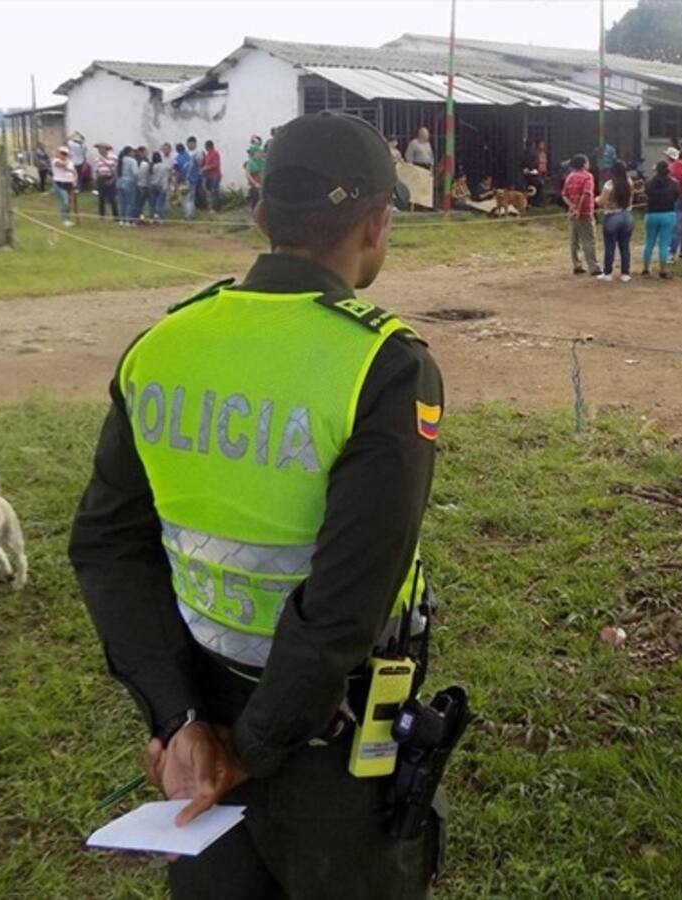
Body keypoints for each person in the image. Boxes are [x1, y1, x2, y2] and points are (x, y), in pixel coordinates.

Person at [69, 111, 448, 899]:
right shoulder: (384, 363)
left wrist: (177, 722)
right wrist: (249, 746)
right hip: (330, 743)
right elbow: (347, 602)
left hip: (196, 727)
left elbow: (108, 545)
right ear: (377, 224)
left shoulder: (162, 345)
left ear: (260, 213)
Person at [561, 153, 601, 276]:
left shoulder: (570, 177)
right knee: (589, 240)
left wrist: (571, 206)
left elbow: (564, 194)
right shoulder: (588, 177)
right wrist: (578, 208)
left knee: (574, 240)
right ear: (584, 164)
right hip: (585, 212)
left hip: (572, 213)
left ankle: (577, 265)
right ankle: (593, 267)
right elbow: (586, 193)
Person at [597, 159, 635, 283]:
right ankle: (625, 273)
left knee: (610, 246)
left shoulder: (609, 184)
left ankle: (607, 273)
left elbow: (602, 202)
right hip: (627, 215)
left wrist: (596, 199)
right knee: (625, 246)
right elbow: (631, 199)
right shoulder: (629, 182)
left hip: (612, 216)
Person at [640, 159, 677, 279]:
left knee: (649, 242)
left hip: (652, 214)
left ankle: (645, 268)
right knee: (664, 244)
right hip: (668, 213)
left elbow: (645, 196)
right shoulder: (674, 183)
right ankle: (663, 269)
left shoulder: (649, 183)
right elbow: (676, 197)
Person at [50, 146, 76, 227]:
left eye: (65, 154)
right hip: (59, 184)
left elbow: (74, 172)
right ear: (59, 153)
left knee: (69, 203)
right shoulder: (55, 160)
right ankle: (63, 220)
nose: (63, 155)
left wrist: (75, 181)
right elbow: (62, 165)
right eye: (62, 153)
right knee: (64, 202)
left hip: (69, 184)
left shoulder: (70, 162)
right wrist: (67, 161)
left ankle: (67, 219)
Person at [94, 143, 119, 221]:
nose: (100, 150)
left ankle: (116, 216)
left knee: (112, 198)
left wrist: (113, 179)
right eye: (99, 149)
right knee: (101, 198)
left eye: (101, 148)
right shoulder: (97, 159)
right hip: (101, 178)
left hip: (110, 177)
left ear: (106, 149)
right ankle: (102, 216)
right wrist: (96, 180)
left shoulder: (114, 158)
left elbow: (116, 169)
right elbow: (96, 171)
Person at [174, 142, 196, 220]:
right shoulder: (190, 156)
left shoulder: (177, 159)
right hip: (193, 180)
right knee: (191, 198)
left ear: (177, 150)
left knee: (185, 199)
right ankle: (192, 215)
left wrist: (176, 183)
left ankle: (187, 216)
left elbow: (177, 172)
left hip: (183, 181)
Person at [149, 151, 171, 222]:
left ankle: (152, 217)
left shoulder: (151, 166)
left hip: (152, 185)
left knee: (153, 202)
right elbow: (169, 173)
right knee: (160, 202)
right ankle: (159, 216)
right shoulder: (163, 166)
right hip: (162, 185)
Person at [187, 136, 207, 211]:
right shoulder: (188, 152)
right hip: (191, 176)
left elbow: (200, 163)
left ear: (194, 143)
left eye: (190, 144)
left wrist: (200, 171)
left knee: (200, 191)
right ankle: (195, 207)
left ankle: (202, 207)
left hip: (198, 175)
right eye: (188, 144)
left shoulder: (198, 152)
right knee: (193, 193)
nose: (189, 145)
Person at [202, 140, 223, 211]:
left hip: (215, 176)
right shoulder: (208, 154)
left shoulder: (215, 153)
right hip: (209, 176)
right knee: (211, 191)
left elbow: (215, 164)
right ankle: (215, 206)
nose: (205, 147)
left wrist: (206, 168)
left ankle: (216, 208)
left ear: (208, 146)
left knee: (214, 191)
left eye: (205, 146)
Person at [245, 142, 266, 209]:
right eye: (259, 152)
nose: (261, 153)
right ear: (254, 153)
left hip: (263, 183)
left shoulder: (264, 161)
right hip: (255, 184)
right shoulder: (250, 163)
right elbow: (248, 174)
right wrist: (255, 183)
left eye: (261, 152)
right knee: (256, 198)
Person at [135, 147, 151, 223]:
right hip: (141, 185)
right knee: (139, 203)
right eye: (145, 152)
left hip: (142, 185)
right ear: (141, 152)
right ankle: (138, 217)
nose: (146, 153)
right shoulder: (140, 162)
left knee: (141, 203)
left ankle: (140, 216)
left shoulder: (144, 161)